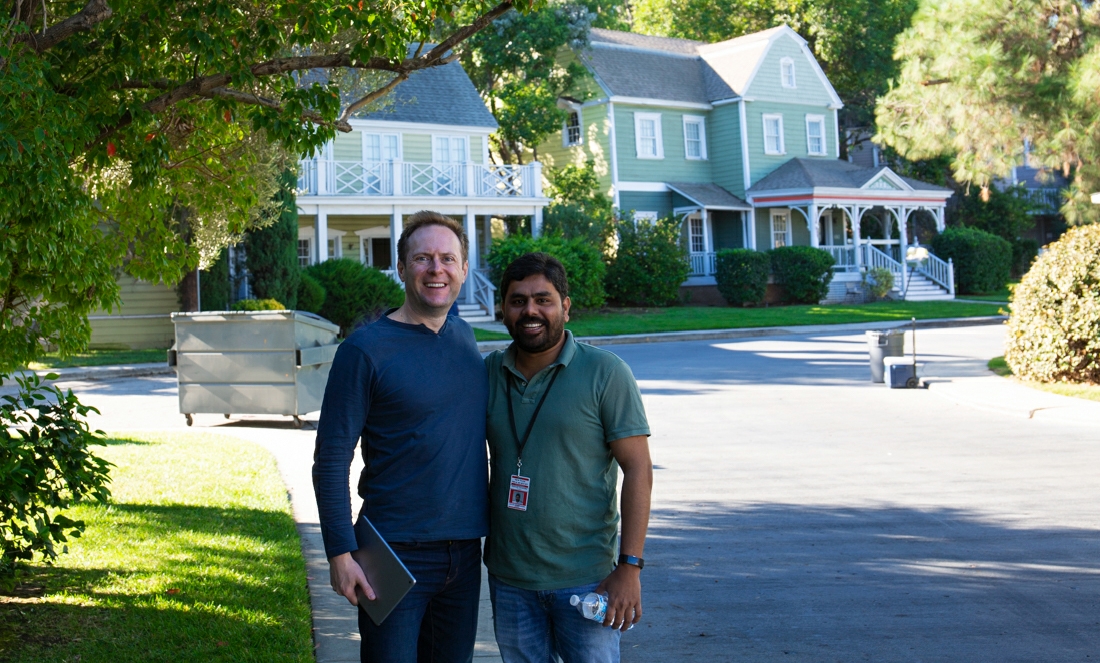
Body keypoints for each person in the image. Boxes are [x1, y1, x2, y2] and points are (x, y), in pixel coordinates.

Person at [312, 210, 488, 663]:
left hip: (464, 555)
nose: (437, 269)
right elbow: (332, 457)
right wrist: (339, 551)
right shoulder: (365, 350)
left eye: (448, 258)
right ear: (402, 267)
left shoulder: (465, 338)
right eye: (423, 258)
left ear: (464, 269)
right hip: (391, 553)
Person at [483, 252, 654, 663]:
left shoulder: (605, 372)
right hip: (510, 579)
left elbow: (639, 470)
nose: (530, 311)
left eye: (543, 299)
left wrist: (629, 567)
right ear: (503, 309)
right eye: (518, 300)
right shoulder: (487, 372)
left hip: (588, 580)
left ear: (565, 306)